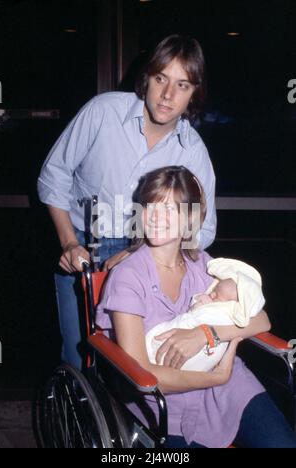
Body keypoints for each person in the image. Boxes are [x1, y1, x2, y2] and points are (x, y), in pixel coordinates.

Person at [37, 35, 217, 369]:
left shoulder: (192, 150)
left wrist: (139, 253)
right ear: (146, 77)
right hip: (81, 250)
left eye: (182, 85)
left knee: (133, 366)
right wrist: (68, 242)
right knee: (79, 360)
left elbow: (203, 229)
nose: (167, 95)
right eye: (161, 78)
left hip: (146, 259)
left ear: (194, 94)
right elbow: (54, 175)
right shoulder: (103, 111)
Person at [96, 166, 296, 448]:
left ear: (190, 217)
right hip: (166, 402)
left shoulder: (204, 265)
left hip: (230, 389)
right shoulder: (127, 276)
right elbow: (142, 375)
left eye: (170, 210)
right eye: (150, 206)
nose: (155, 218)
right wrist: (212, 377)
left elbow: (261, 320)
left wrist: (206, 334)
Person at [146, 257, 266, 372]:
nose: (212, 295)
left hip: (223, 369)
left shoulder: (202, 262)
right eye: (214, 291)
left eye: (217, 297)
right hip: (175, 373)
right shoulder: (135, 270)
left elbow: (263, 321)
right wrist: (220, 376)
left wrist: (206, 334)